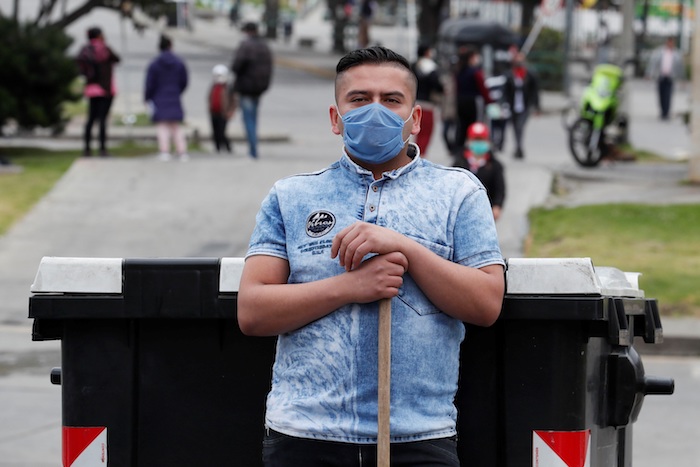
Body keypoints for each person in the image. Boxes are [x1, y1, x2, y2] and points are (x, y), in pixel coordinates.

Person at [238, 46, 505, 466]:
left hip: (418, 438)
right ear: (335, 118)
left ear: (414, 119)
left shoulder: (459, 194)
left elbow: (487, 303)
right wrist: (351, 287)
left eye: (391, 100)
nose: (375, 111)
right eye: (359, 100)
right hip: (304, 437)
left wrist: (407, 249)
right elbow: (253, 310)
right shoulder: (291, 196)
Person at [76, 26, 121, 157]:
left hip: (91, 89)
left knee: (90, 119)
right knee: (102, 120)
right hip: (106, 89)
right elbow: (117, 59)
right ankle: (102, 149)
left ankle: (87, 149)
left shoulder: (85, 50)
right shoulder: (105, 48)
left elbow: (79, 66)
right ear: (99, 35)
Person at [231, 22, 273, 159]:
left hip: (246, 87)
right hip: (259, 88)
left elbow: (236, 66)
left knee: (248, 118)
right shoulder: (264, 46)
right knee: (254, 117)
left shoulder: (245, 45)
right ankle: (254, 147)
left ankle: (253, 150)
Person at [145, 35, 189, 161]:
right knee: (176, 126)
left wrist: (148, 97)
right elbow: (184, 80)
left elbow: (150, 83)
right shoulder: (179, 62)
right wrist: (177, 90)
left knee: (162, 126)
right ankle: (182, 151)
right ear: (171, 45)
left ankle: (165, 151)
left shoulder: (155, 63)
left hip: (159, 96)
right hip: (174, 95)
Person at [452, 122, 505, 221]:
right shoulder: (459, 162)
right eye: (475, 140)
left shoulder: (495, 165)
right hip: (462, 211)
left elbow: (500, 189)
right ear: (468, 141)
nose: (478, 143)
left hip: (485, 211)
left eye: (481, 140)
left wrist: (497, 206)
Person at [453, 47, 491, 153]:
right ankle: (475, 147)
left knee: (462, 125)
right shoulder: (475, 72)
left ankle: (459, 147)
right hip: (474, 101)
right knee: (475, 124)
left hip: (460, 101)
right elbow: (483, 89)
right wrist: (489, 101)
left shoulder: (459, 71)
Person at [503, 52, 540, 159]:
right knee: (515, 128)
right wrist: (503, 104)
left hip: (525, 106)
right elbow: (504, 91)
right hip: (513, 106)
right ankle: (518, 147)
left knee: (520, 126)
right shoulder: (510, 75)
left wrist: (536, 106)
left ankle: (519, 148)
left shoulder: (529, 74)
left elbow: (535, 91)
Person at [411, 43, 443, 158]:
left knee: (417, 131)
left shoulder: (413, 66)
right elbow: (438, 86)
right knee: (426, 132)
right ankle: (421, 155)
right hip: (427, 104)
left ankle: (417, 153)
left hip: (414, 102)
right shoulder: (431, 67)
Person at [645, 37, 685, 121]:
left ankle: (666, 113)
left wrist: (682, 78)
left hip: (670, 77)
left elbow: (680, 67)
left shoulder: (676, 54)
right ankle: (662, 111)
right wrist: (649, 74)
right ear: (666, 43)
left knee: (668, 96)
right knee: (661, 95)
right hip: (661, 76)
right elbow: (653, 63)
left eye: (672, 43)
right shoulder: (659, 52)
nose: (670, 44)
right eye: (669, 43)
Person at [208, 64, 236, 153]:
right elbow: (210, 97)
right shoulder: (213, 86)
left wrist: (231, 111)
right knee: (215, 131)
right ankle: (217, 148)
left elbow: (234, 101)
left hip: (223, 113)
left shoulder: (228, 88)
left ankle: (228, 146)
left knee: (222, 131)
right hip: (214, 112)